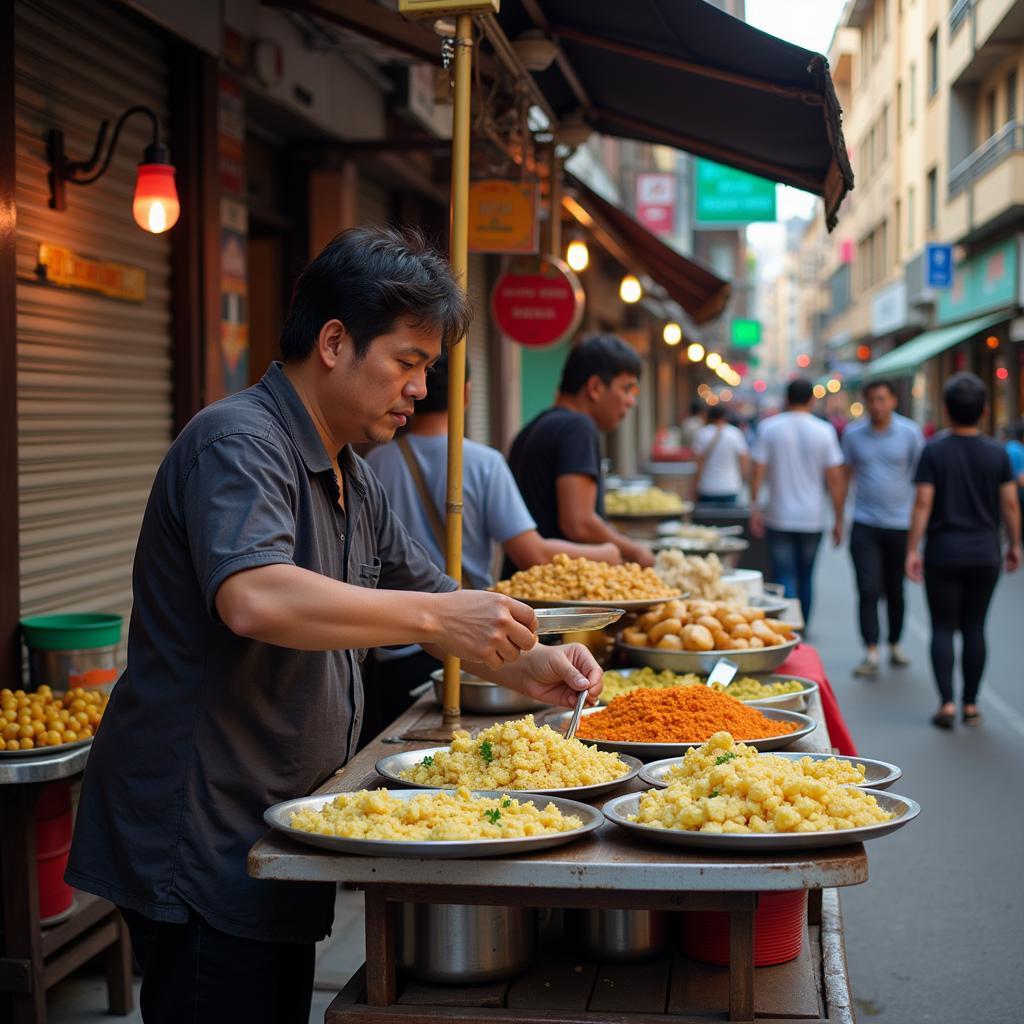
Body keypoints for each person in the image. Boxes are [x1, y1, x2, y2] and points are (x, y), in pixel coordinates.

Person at [65, 227, 604, 1023]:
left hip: (276, 822)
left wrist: (533, 665)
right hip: (201, 829)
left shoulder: (352, 474)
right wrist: (439, 614)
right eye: (408, 362)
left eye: (427, 368)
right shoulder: (238, 441)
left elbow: (428, 595)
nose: (420, 389)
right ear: (333, 341)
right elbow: (254, 597)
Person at [364, 353, 619, 734]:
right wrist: (613, 554)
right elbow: (528, 552)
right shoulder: (483, 462)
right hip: (469, 637)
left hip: (404, 650)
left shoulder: (374, 462)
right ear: (466, 394)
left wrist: (534, 660)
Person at [906, 372, 1021, 730]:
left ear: (946, 408)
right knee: (974, 627)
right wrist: (1015, 543)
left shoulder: (934, 451)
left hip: (943, 551)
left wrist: (912, 548)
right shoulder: (997, 452)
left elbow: (923, 504)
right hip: (985, 552)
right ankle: (971, 704)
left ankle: (946, 705)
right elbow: (1011, 505)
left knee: (942, 627)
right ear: (985, 409)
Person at [507, 334, 654, 571]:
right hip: (559, 592)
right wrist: (635, 551)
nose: (630, 401)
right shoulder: (578, 427)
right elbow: (578, 523)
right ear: (595, 387)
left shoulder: (531, 428)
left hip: (526, 585)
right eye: (626, 388)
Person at [840, 379, 924, 677]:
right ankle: (871, 649)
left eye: (881, 399)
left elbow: (921, 482)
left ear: (892, 401)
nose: (876, 405)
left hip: (900, 524)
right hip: (864, 521)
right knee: (867, 588)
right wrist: (839, 518)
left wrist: (920, 526)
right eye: (871, 400)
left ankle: (894, 643)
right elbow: (845, 474)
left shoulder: (910, 433)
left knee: (895, 589)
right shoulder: (853, 434)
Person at [748, 378, 845, 628]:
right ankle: (803, 628)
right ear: (812, 399)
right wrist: (838, 518)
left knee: (784, 576)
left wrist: (754, 507)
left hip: (778, 515)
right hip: (812, 517)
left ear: (786, 399)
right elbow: (835, 479)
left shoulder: (769, 428)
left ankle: (790, 628)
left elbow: (757, 470)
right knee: (806, 576)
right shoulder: (824, 430)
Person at [691, 405, 749, 505]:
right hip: (730, 486)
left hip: (707, 486)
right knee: (728, 519)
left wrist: (694, 486)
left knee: (706, 520)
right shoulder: (735, 434)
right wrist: (743, 480)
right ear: (725, 416)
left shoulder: (702, 433)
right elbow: (744, 461)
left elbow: (697, 463)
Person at [1006, 420, 1024, 513]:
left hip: (1006, 494)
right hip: (1018, 495)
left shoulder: (1009, 446)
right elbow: (1021, 480)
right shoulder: (1019, 450)